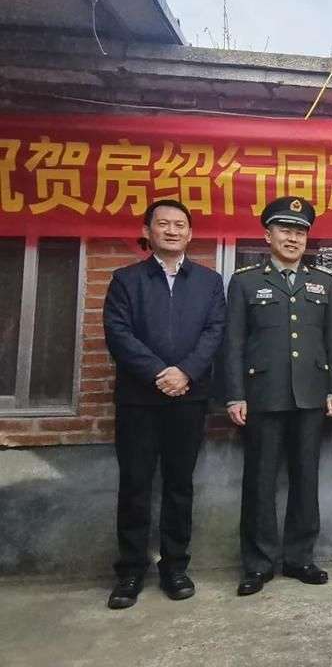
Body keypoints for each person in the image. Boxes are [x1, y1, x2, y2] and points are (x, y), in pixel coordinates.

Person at [102, 199, 226, 609]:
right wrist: (160, 373)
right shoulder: (126, 280)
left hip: (189, 399)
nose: (172, 231)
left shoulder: (209, 282)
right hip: (139, 399)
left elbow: (214, 332)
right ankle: (131, 571)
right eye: (163, 224)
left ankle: (175, 566)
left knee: (179, 485)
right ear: (148, 231)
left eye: (180, 225)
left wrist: (185, 373)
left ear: (190, 234)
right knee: (135, 485)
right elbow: (118, 334)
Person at [224, 196, 332, 596]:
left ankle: (299, 557)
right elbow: (234, 342)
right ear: (267, 234)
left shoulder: (325, 282)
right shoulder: (244, 281)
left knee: (305, 479)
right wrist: (235, 394)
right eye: (285, 230)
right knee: (259, 480)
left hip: (310, 395)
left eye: (300, 231)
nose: (293, 238)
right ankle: (257, 564)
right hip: (263, 395)